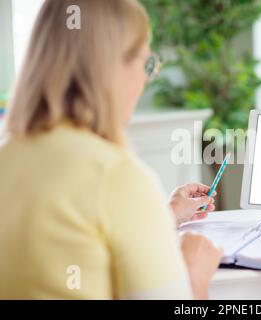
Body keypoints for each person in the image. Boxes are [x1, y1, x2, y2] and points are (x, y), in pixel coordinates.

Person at [0, 0, 223, 300]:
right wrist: (195, 277)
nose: (145, 80)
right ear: (111, 69)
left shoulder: (9, 156)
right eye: (144, 63)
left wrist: (164, 217)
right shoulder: (117, 176)